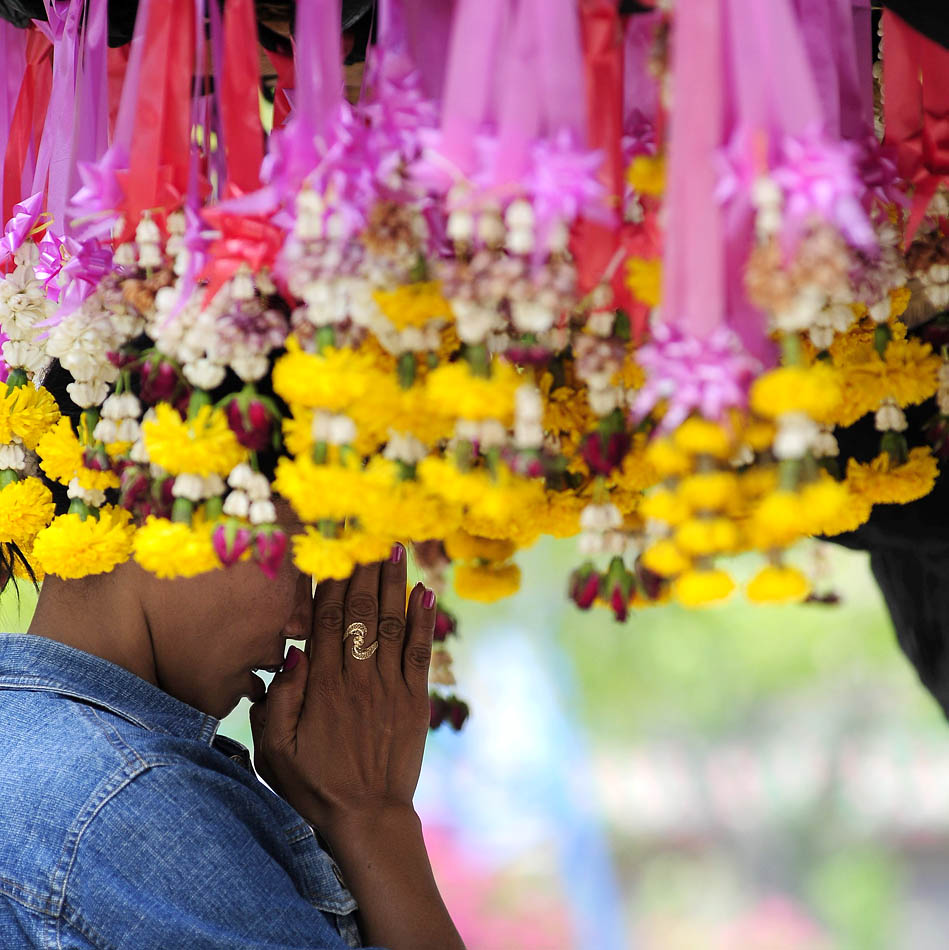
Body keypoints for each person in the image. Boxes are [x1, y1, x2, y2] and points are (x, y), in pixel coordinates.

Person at [0, 396, 465, 948]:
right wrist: (373, 815)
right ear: (163, 495)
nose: (304, 619)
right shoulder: (136, 804)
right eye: (300, 555)